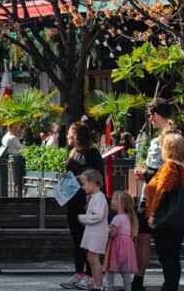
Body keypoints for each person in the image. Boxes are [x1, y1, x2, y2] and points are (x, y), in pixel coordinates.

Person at [131, 98, 176, 291]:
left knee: (157, 242)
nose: (150, 120)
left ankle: (146, 281)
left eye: (150, 116)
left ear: (156, 115)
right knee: (145, 236)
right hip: (152, 192)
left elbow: (169, 170)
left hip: (159, 195)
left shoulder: (170, 139)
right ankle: (140, 280)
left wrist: (147, 174)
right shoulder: (167, 136)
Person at [145, 133, 184, 291]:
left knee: (167, 256)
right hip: (179, 220)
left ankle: (169, 287)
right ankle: (171, 286)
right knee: (173, 256)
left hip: (166, 220)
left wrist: (152, 214)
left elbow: (161, 191)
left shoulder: (170, 167)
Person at [61, 122, 105, 290]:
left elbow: (95, 175)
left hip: (86, 201)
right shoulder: (73, 152)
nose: (67, 137)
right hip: (73, 200)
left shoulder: (92, 153)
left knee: (87, 239)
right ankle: (78, 272)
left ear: (76, 135)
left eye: (70, 134)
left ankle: (89, 274)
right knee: (77, 239)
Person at [78, 169, 109, 291]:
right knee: (91, 258)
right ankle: (96, 283)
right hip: (93, 232)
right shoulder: (95, 197)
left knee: (94, 259)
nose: (83, 187)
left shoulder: (99, 198)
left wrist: (82, 218)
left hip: (97, 233)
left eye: (84, 184)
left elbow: (97, 216)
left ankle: (99, 285)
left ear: (92, 182)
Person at [105, 191, 138, 291]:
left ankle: (110, 287)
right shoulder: (129, 218)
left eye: (114, 200)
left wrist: (107, 228)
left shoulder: (117, 218)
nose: (111, 201)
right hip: (128, 245)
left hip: (117, 245)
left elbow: (113, 233)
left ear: (122, 205)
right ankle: (128, 288)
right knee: (125, 271)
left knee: (109, 268)